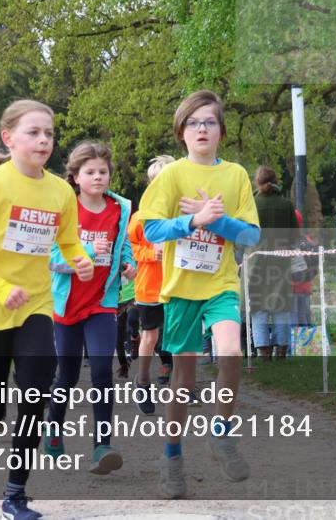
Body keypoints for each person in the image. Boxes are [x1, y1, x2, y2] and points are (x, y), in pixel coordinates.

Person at [0, 99, 94, 520]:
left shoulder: (61, 191)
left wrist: (79, 259)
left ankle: (15, 495)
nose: (44, 140)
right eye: (34, 132)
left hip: (36, 306)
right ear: (9, 138)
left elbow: (66, 241)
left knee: (35, 396)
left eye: (49, 134)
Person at [138, 90, 260, 499]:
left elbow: (251, 234)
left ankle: (221, 433)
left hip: (221, 284)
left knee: (231, 353)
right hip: (181, 290)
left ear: (222, 131)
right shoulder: (172, 177)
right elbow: (150, 230)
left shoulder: (237, 175)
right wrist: (192, 220)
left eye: (209, 122)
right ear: (182, 132)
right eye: (194, 122)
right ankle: (171, 456)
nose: (202, 129)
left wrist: (219, 220)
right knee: (183, 380)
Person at [44, 141, 136, 476]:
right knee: (66, 375)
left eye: (103, 171)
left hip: (102, 302)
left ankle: (102, 446)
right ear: (75, 176)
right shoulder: (63, 208)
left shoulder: (119, 209)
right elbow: (51, 257)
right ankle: (53, 430)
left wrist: (128, 263)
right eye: (90, 172)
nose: (98, 177)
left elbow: (123, 244)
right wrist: (85, 248)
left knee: (101, 371)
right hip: (67, 303)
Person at [128, 154, 176, 414]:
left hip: (177, 283)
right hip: (149, 285)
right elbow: (129, 248)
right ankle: (143, 380)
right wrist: (149, 254)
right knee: (151, 335)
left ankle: (181, 384)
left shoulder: (181, 214)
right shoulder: (140, 217)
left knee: (180, 335)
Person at [247, 166, 298, 361]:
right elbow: (295, 235)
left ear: (257, 182)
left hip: (256, 263)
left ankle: (263, 352)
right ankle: (281, 351)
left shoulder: (251, 204)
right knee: (281, 307)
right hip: (281, 263)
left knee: (258, 308)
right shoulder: (286, 204)